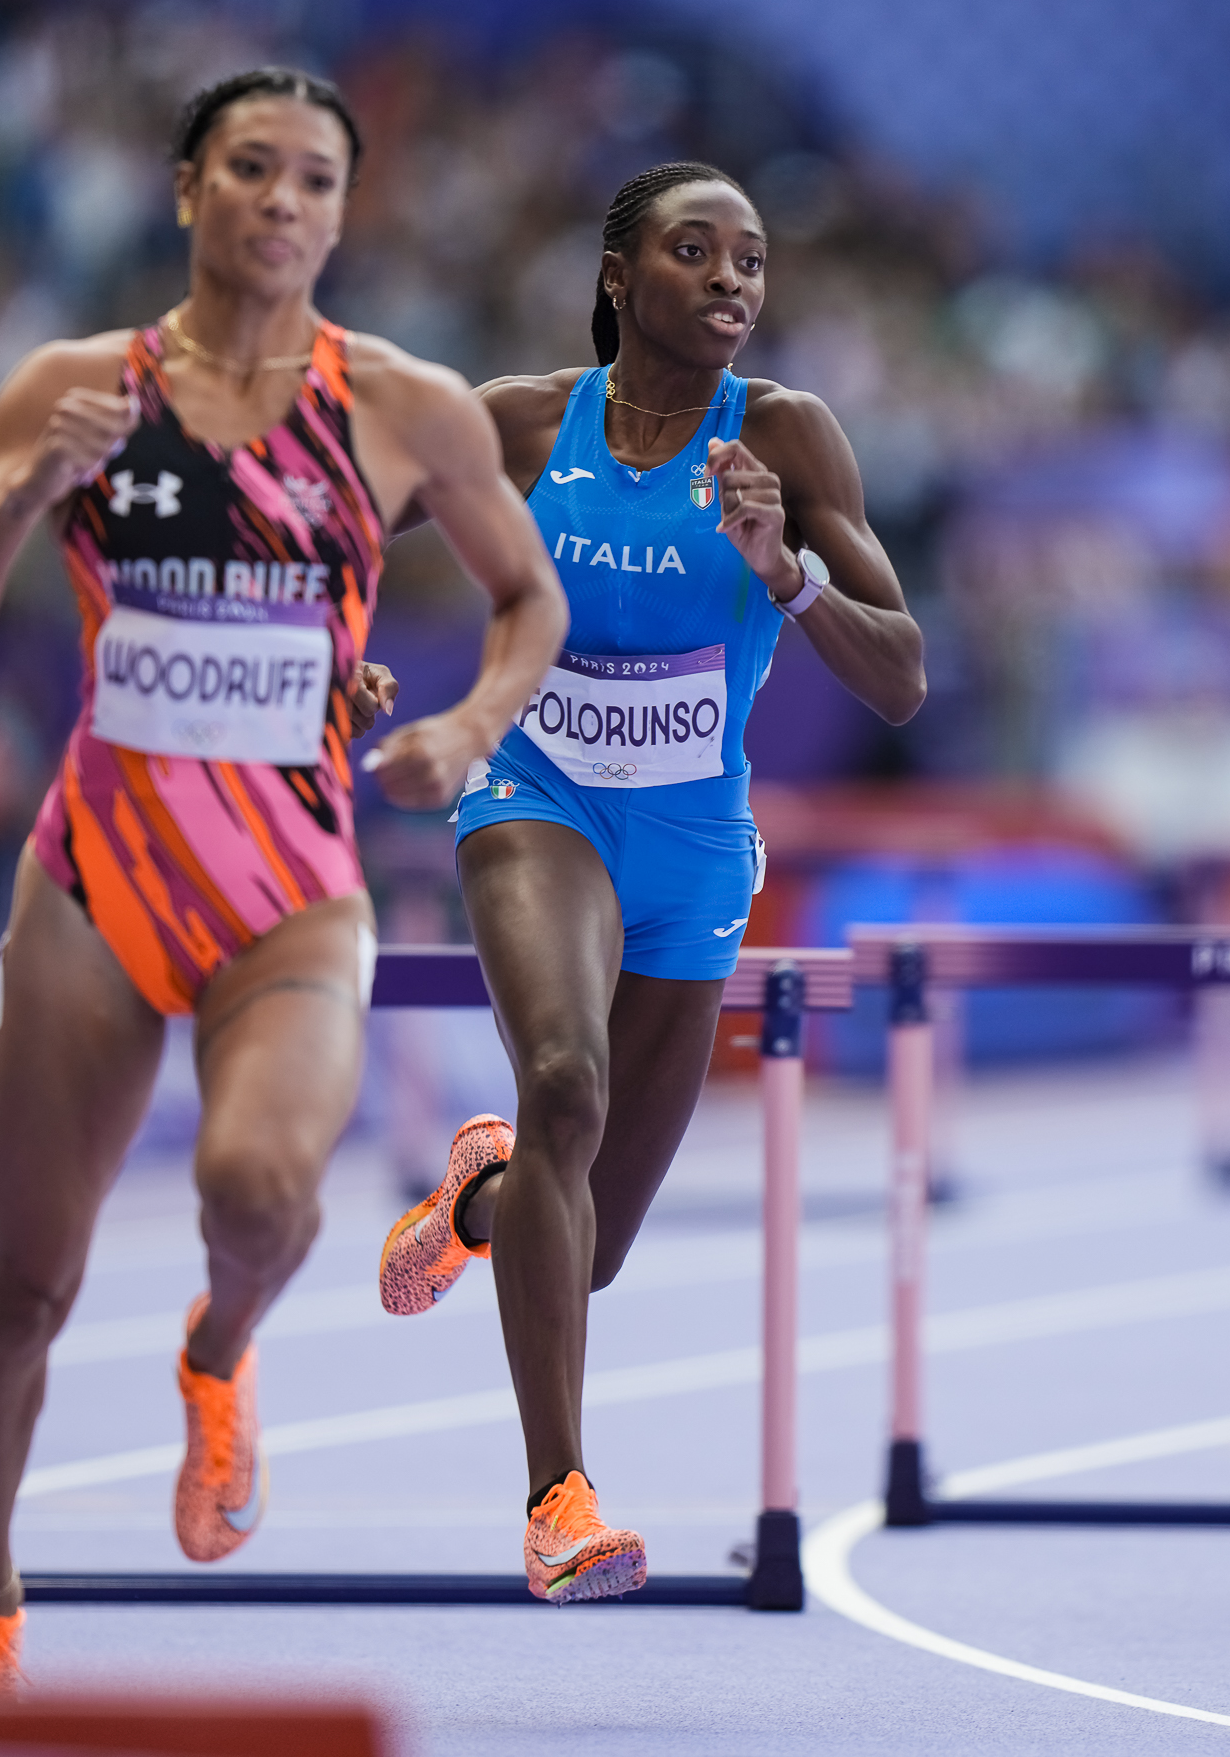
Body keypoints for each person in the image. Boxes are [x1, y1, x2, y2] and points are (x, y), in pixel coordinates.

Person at [0, 67, 566, 1688]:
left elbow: (529, 598)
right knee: (18, 1290)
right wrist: (23, 492)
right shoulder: (76, 388)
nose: (282, 200)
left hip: (290, 890)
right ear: (187, 188)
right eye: (251, 168)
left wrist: (472, 726)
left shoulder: (402, 406)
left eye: (315, 179)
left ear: (344, 212)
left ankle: (219, 1352)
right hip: (94, 883)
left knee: (260, 1190)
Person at [372, 159, 926, 1602]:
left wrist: (787, 571)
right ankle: (559, 1502)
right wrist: (324, 650)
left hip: (693, 846)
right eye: (697, 250)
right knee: (565, 1082)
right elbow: (337, 528)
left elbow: (903, 676)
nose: (733, 277)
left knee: (587, 1245)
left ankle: (481, 1200)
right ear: (619, 275)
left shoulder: (788, 436)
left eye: (753, 258)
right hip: (537, 795)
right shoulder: (517, 422)